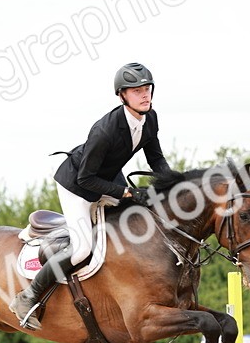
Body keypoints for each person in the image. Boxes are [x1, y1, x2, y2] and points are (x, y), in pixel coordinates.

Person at [9, 61, 175, 329]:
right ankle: (28, 297)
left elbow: (156, 160)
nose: (145, 95)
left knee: (141, 217)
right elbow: (86, 178)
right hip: (78, 186)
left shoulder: (150, 118)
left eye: (147, 88)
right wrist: (126, 192)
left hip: (107, 178)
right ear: (122, 95)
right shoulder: (105, 130)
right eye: (136, 91)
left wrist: (174, 185)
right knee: (82, 248)